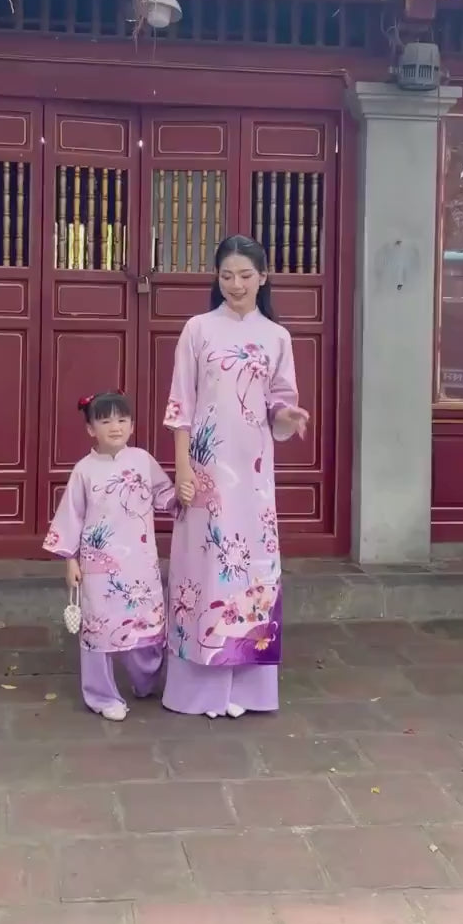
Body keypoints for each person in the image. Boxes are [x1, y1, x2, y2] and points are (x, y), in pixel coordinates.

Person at [162, 234, 308, 719]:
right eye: (227, 275)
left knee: (253, 568)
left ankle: (248, 690)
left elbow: (280, 404)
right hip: (205, 468)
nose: (236, 284)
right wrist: (182, 468)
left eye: (246, 275)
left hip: (253, 474)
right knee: (203, 570)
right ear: (216, 279)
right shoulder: (198, 330)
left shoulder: (276, 337)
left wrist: (290, 419)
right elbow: (180, 405)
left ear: (263, 278)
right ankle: (199, 691)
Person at [43, 391, 176, 722]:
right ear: (91, 429)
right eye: (105, 421)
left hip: (141, 564)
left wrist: (188, 491)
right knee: (100, 628)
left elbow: (165, 495)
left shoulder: (143, 460)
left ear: (131, 424)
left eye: (122, 419)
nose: (115, 427)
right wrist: (70, 560)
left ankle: (146, 681)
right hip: (98, 565)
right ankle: (101, 695)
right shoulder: (84, 470)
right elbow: (70, 517)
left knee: (146, 627)